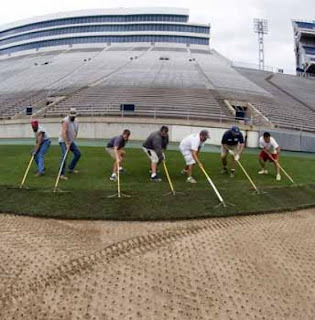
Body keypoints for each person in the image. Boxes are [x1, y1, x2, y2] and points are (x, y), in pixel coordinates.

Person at [58, 108, 81, 180]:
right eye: (71, 116)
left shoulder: (76, 121)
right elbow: (63, 132)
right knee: (65, 155)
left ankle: (71, 168)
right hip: (63, 141)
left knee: (78, 154)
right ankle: (61, 174)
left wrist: (72, 140)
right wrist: (66, 143)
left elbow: (76, 131)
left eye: (74, 116)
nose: (73, 117)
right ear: (69, 115)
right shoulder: (65, 121)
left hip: (71, 141)